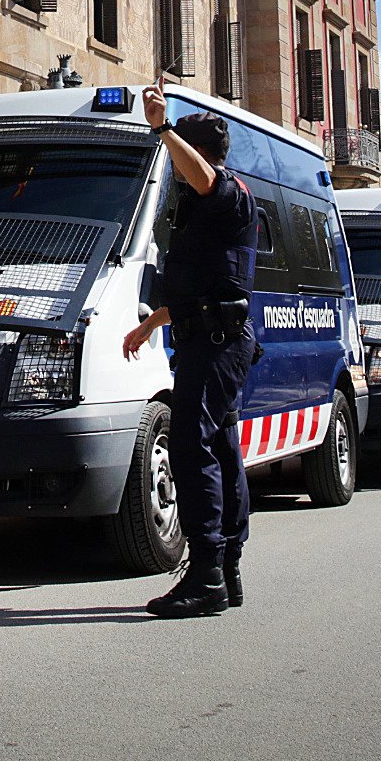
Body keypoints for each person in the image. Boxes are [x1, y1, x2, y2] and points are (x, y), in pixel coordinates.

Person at [121, 84, 256, 619]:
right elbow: (207, 287)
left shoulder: (223, 190)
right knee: (220, 450)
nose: (177, 169)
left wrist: (162, 127)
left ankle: (205, 576)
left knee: (189, 446)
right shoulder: (212, 209)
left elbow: (202, 175)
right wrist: (152, 320)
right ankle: (225, 573)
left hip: (218, 343)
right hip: (213, 334)